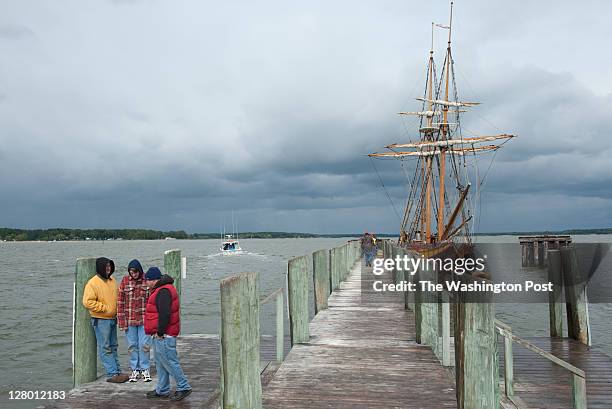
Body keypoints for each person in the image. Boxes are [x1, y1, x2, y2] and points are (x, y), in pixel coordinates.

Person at [144, 267, 192, 401]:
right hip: (161, 334)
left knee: (169, 362)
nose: (146, 283)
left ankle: (183, 386)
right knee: (160, 363)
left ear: (153, 280)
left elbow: (165, 313)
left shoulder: (163, 291)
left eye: (147, 280)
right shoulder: (163, 289)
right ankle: (162, 389)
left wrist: (160, 332)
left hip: (164, 335)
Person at [82, 257, 129, 383]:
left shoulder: (112, 280)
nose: (108, 269)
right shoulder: (93, 283)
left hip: (113, 318)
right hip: (101, 319)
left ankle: (117, 371)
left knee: (114, 346)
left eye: (110, 266)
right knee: (105, 347)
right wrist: (105, 308)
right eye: (106, 266)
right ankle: (112, 374)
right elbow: (87, 302)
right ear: (100, 267)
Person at [117, 259, 151, 382]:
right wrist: (121, 321)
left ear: (140, 271)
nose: (134, 274)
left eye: (136, 271)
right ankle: (135, 369)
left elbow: (152, 301)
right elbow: (120, 302)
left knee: (144, 345)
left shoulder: (147, 280)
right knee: (132, 345)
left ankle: (145, 368)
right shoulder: (125, 281)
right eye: (131, 272)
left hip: (144, 320)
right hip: (129, 320)